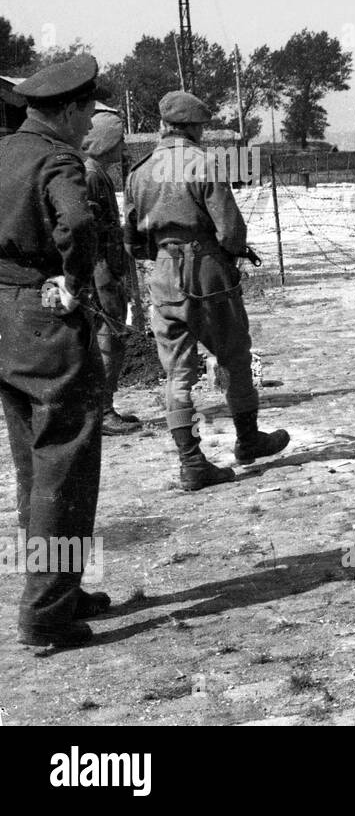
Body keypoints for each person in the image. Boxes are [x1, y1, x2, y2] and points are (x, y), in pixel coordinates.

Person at [124, 91, 290, 490]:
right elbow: (231, 231)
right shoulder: (203, 163)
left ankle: (191, 462)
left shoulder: (139, 171)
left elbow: (131, 239)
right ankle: (248, 440)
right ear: (196, 128)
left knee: (177, 374)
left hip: (163, 274)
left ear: (163, 126)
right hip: (206, 270)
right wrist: (227, 255)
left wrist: (164, 253)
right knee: (233, 354)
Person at [0, 53, 108, 646]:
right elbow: (76, 223)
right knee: (64, 461)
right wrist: (74, 277)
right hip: (44, 319)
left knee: (33, 465)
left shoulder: (3, 151)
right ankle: (46, 614)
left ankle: (57, 587)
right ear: (66, 108)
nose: (90, 119)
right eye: (87, 108)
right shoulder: (56, 158)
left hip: (3, 320)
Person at [81, 110, 143, 436]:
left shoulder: (97, 172)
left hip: (105, 266)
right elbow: (89, 230)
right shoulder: (92, 175)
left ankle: (103, 409)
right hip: (101, 269)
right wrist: (104, 277)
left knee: (110, 337)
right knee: (111, 339)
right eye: (119, 140)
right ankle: (103, 413)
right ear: (106, 142)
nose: (123, 147)